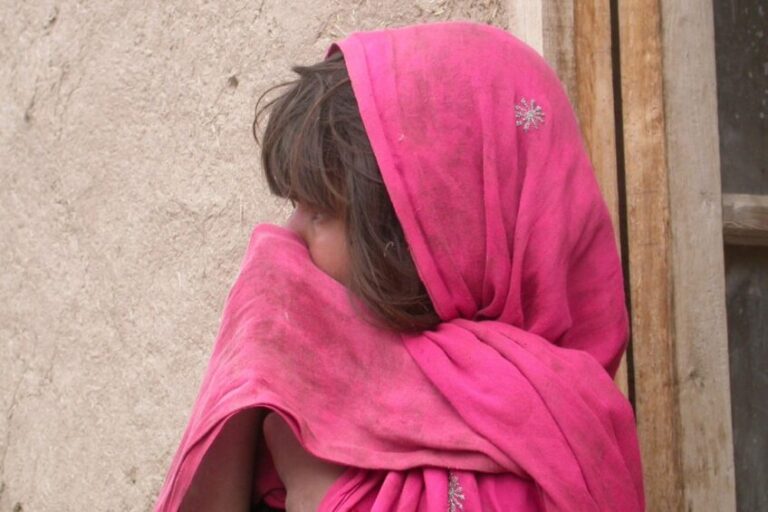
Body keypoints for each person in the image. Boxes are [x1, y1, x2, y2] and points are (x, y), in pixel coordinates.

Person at [155, 21, 645, 511]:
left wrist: (317, 491)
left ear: (433, 234)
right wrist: (249, 384)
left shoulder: (563, 440)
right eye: (295, 205)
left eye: (321, 210)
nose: (284, 238)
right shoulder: (301, 387)